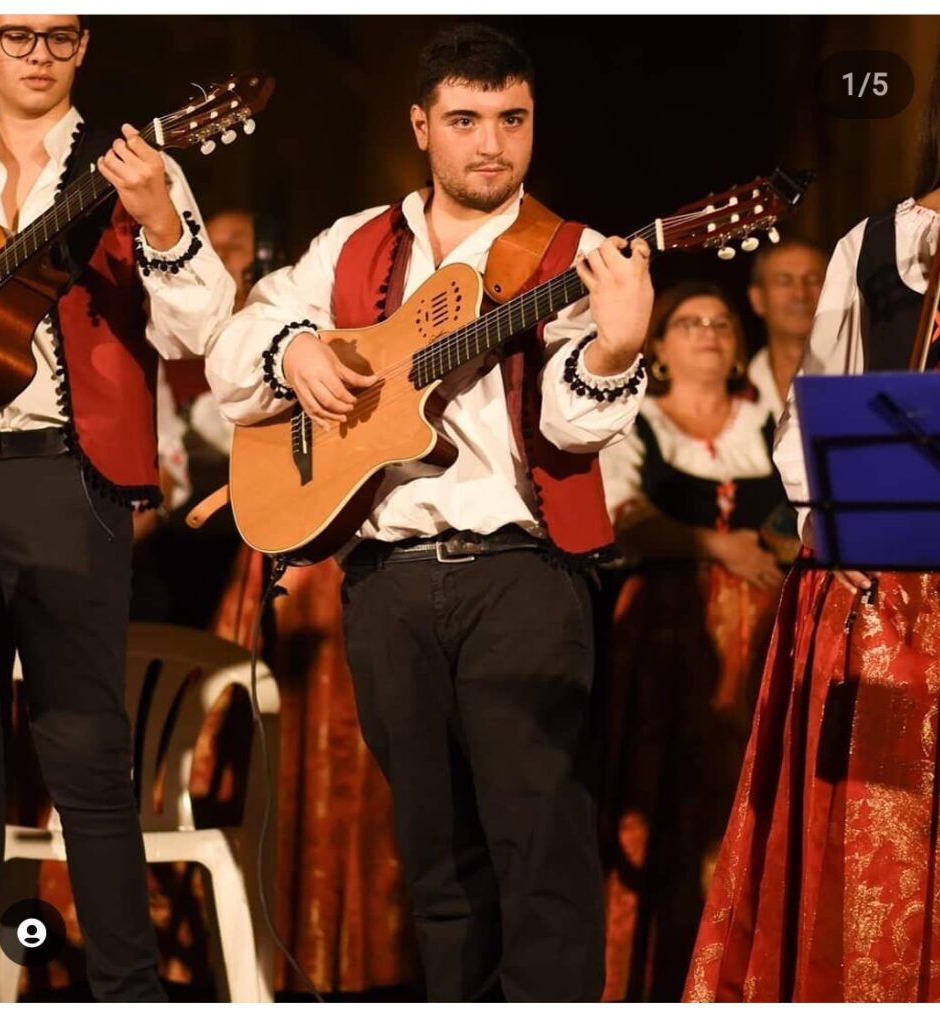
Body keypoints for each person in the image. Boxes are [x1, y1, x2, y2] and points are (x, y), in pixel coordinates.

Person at [206, 23, 654, 1001]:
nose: (491, 143)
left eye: (511, 119)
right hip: (386, 582)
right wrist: (296, 350)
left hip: (521, 577)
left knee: (540, 849)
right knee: (437, 862)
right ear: (421, 126)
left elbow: (573, 430)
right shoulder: (354, 242)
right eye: (465, 120)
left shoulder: (574, 254)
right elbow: (236, 349)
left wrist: (616, 350)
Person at [0, 14, 233, 1001]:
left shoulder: (130, 167)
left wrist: (159, 221)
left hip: (67, 481)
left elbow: (200, 328)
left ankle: (129, 1001)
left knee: (85, 759)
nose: (39, 54)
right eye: (17, 35)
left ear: (84, 47)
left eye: (61, 36)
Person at [685, 35, 940, 1004]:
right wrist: (832, 522)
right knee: (876, 864)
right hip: (892, 596)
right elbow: (816, 415)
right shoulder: (873, 247)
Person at [597, 282, 787, 1001]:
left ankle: (745, 978)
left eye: (721, 322)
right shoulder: (636, 422)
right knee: (667, 795)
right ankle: (659, 979)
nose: (708, 332)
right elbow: (623, 517)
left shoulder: (771, 421)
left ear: (738, 347)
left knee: (751, 791)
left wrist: (775, 545)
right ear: (657, 349)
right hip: (669, 640)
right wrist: (718, 546)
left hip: (764, 637)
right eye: (689, 322)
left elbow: (806, 509)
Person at [746, 239, 827, 420]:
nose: (800, 294)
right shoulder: (737, 392)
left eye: (813, 280)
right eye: (784, 281)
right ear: (757, 298)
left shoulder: (859, 375)